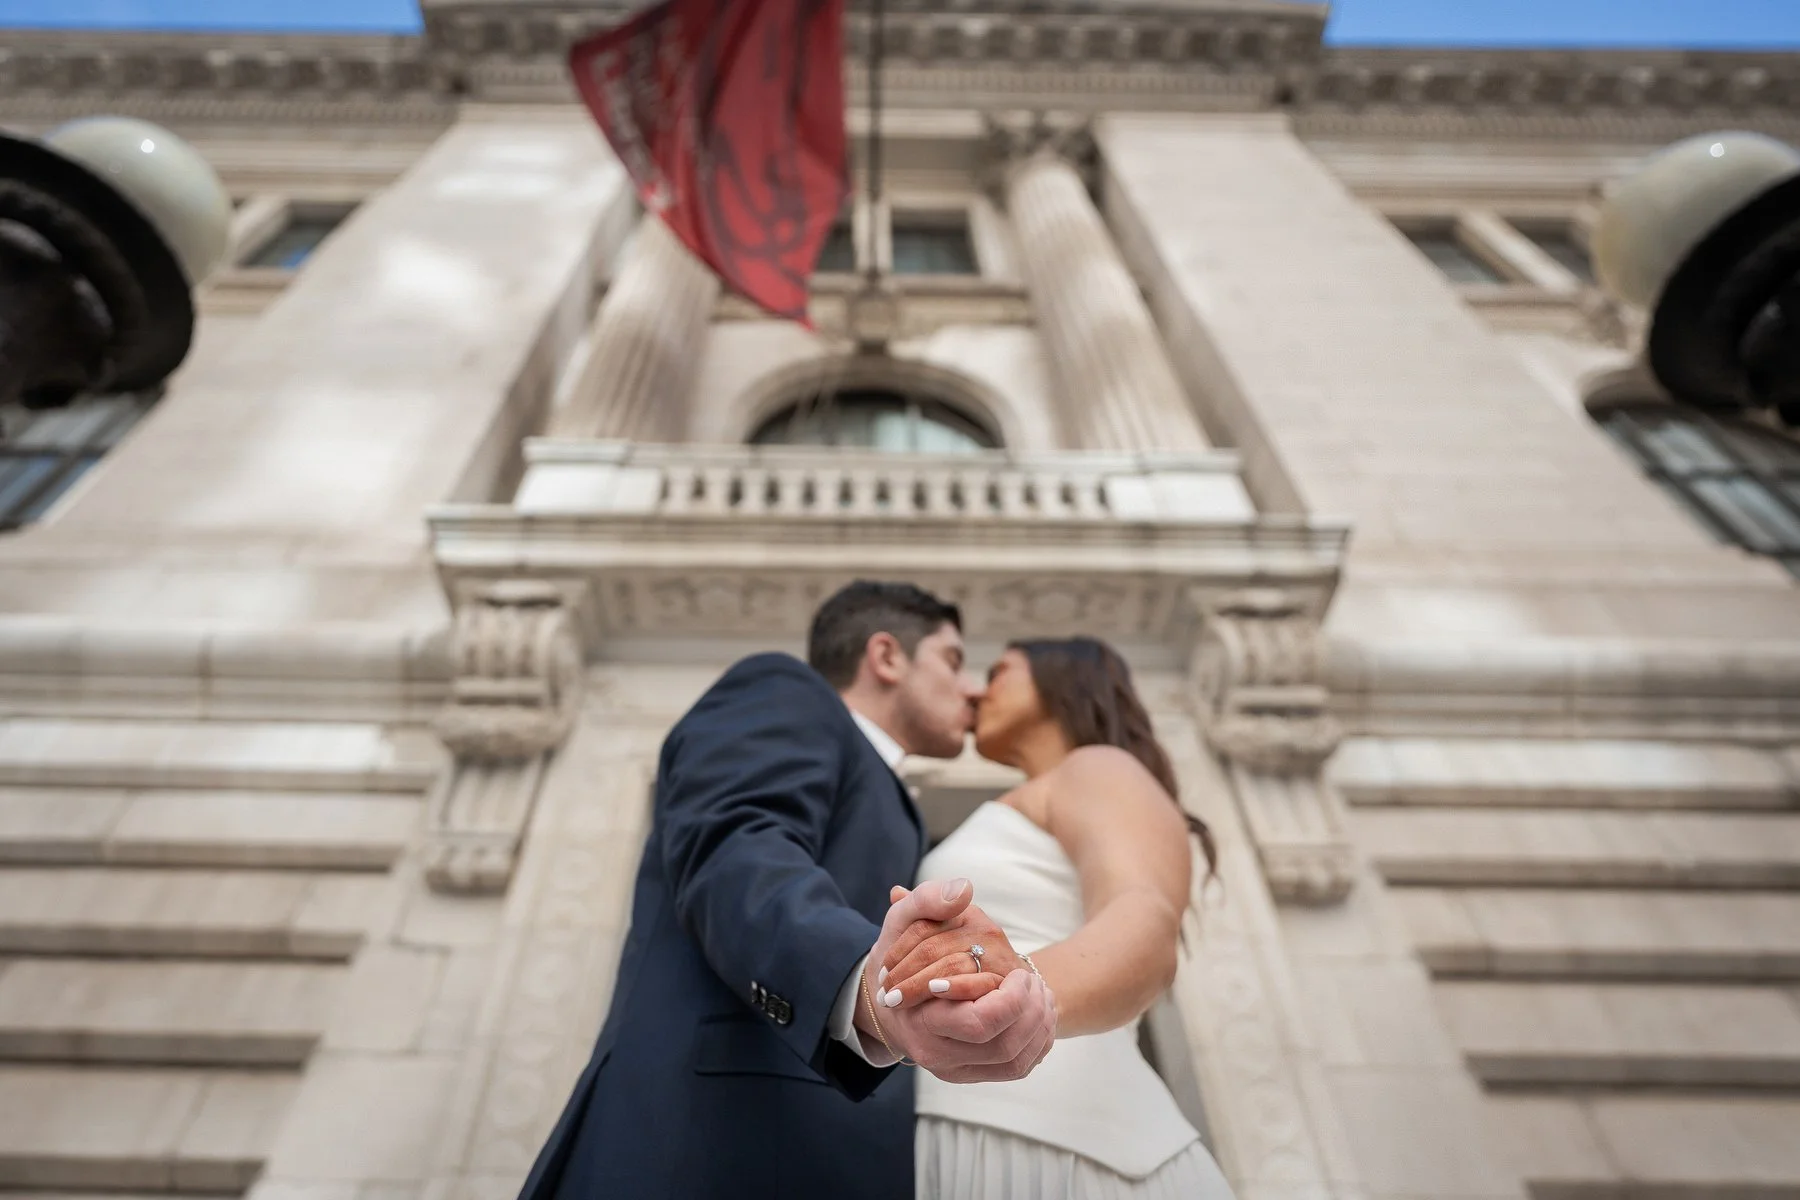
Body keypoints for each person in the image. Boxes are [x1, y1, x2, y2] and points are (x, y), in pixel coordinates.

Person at [515, 581, 1057, 1200]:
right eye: (954, 661)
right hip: (706, 1147)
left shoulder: (891, 795)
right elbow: (739, 846)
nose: (971, 690)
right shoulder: (784, 691)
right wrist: (863, 981)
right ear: (886, 657)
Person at [876, 637, 1237, 1199]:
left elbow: (1143, 915)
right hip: (953, 1127)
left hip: (1067, 1140)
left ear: (1064, 678)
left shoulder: (1100, 768)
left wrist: (1025, 993)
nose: (975, 689)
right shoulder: (1032, 795)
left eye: (998, 672)